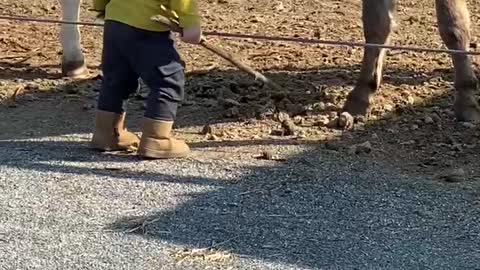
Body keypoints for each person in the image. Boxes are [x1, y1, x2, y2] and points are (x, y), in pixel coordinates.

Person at [89, 0, 202, 159]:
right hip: (147, 25)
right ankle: (156, 139)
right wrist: (190, 23)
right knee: (167, 80)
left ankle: (106, 133)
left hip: (115, 20)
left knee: (117, 77)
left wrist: (102, 7)